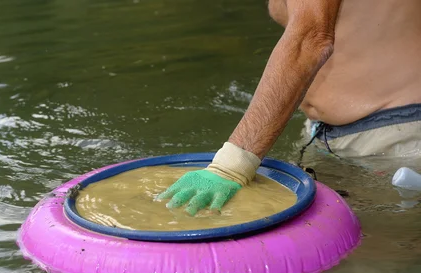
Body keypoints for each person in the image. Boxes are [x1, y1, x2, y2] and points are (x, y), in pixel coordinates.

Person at [158, 0, 421, 216]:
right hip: (327, 136)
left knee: (369, 271)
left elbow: (311, 39)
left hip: (394, 141)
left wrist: (231, 166)